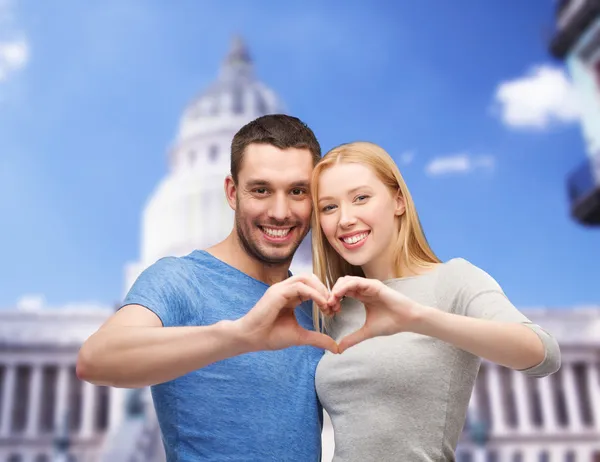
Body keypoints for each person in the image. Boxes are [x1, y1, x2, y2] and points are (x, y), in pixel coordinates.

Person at [76, 114, 339, 462]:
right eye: (261, 190)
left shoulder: (313, 304)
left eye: (297, 191)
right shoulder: (180, 279)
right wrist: (241, 335)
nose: (280, 211)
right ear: (232, 193)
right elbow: (95, 360)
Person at [309, 141, 561, 461]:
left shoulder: (452, 281)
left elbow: (544, 353)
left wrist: (416, 317)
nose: (345, 219)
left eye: (361, 198)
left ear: (398, 201)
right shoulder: (334, 308)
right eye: (329, 207)